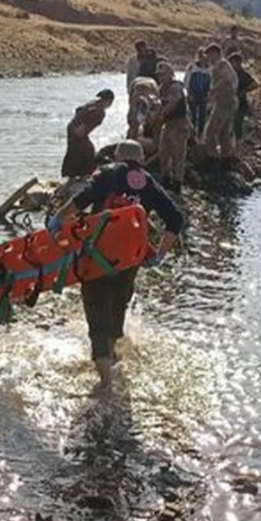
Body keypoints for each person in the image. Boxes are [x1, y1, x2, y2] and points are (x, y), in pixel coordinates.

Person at [48, 140, 186, 383]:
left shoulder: (107, 174)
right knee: (117, 308)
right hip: (129, 260)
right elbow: (175, 220)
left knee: (97, 313)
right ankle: (113, 360)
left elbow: (81, 200)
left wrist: (57, 220)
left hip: (97, 256)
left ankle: (106, 384)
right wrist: (159, 255)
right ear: (141, 159)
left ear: (117, 157)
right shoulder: (148, 182)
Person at [151, 61, 189, 190]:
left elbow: (172, 104)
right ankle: (166, 178)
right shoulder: (161, 88)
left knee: (178, 153)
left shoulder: (175, 87)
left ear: (170, 74)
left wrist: (160, 115)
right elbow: (159, 105)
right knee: (164, 152)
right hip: (167, 124)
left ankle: (177, 182)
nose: (161, 77)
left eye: (163, 74)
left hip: (179, 123)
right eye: (159, 75)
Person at [62, 89, 115, 179]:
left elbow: (79, 109)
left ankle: (72, 174)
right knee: (85, 151)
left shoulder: (94, 103)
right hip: (78, 130)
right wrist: (82, 127)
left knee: (76, 151)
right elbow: (88, 115)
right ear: (108, 101)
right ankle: (81, 174)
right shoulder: (99, 111)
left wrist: (78, 123)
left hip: (73, 127)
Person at [202, 43, 239, 161]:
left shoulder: (221, 64)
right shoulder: (222, 65)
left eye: (209, 54)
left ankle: (212, 157)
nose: (208, 57)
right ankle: (226, 157)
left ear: (215, 53)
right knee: (224, 132)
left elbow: (226, 80)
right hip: (228, 100)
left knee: (211, 131)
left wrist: (213, 91)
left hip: (225, 101)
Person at [230, 52, 261, 144]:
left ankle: (237, 148)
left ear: (238, 62)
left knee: (237, 126)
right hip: (231, 103)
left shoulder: (243, 75)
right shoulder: (231, 74)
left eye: (233, 62)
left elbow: (255, 84)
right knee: (231, 126)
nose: (232, 65)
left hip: (241, 103)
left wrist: (244, 91)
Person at [184, 47, 211, 138]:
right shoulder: (192, 67)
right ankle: (192, 134)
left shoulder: (210, 69)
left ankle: (201, 134)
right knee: (192, 115)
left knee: (202, 115)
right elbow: (186, 81)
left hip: (204, 95)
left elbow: (212, 83)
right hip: (193, 94)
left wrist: (209, 95)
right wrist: (188, 93)